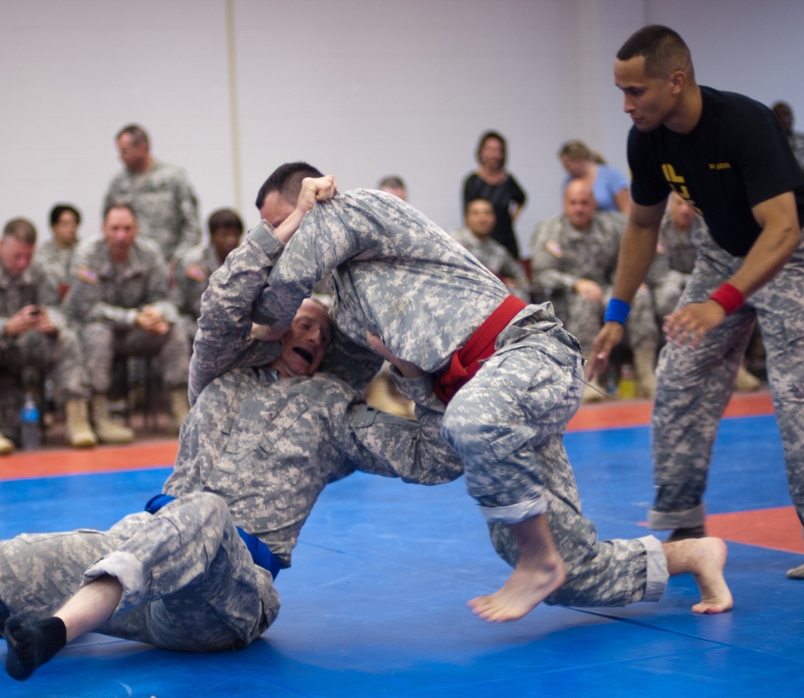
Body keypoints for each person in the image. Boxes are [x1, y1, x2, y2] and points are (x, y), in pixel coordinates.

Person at [0, 220, 463, 681]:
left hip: (221, 598)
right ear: (277, 328)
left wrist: (411, 374)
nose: (313, 334)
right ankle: (70, 609)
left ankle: (56, 629)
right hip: (139, 548)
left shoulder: (333, 409)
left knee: (207, 511)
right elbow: (220, 310)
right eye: (303, 322)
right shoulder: (220, 377)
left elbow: (437, 455)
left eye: (323, 333)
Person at [252, 162, 732, 624]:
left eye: (282, 225)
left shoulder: (364, 211)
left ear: (311, 202)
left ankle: (538, 561)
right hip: (495, 401)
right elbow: (391, 406)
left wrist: (259, 271)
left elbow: (275, 294)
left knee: (474, 423)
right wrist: (406, 373)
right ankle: (691, 555)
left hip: (530, 354)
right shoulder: (349, 313)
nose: (278, 242)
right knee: (560, 568)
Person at [591, 25, 804, 580]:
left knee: (799, 394)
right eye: (620, 92)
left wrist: (721, 303)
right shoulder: (647, 138)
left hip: (793, 252)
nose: (626, 105)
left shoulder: (744, 122)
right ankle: (685, 522)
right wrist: (616, 315)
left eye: (635, 91)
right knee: (679, 378)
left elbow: (783, 230)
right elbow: (643, 224)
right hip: (723, 250)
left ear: (676, 81)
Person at [0, 218, 97, 454]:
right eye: (16, 256)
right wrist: (5, 326)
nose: (22, 263)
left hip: (27, 341)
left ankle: (77, 421)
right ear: (1, 244)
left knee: (67, 338)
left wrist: (51, 322)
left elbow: (57, 308)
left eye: (26, 257)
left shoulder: (38, 267)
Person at [63, 202, 190, 441]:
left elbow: (163, 298)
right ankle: (100, 415)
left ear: (136, 229)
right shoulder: (86, 254)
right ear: (103, 229)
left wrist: (157, 314)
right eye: (115, 228)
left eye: (127, 228)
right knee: (96, 332)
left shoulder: (149, 252)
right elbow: (87, 309)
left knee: (175, 329)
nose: (121, 235)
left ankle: (178, 409)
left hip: (136, 331)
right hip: (98, 330)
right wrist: (134, 318)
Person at [530, 180, 658, 400]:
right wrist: (576, 283)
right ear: (564, 203)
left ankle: (645, 373)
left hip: (604, 289)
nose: (579, 208)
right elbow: (541, 273)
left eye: (584, 203)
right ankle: (589, 377)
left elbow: (625, 264)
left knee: (639, 295)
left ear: (594, 204)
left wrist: (631, 284)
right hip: (565, 297)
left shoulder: (609, 228)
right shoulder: (549, 229)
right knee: (585, 299)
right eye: (573, 203)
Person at [646, 194, 760, 392]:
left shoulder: (706, 226)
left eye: (689, 205)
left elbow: (718, 264)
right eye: (679, 204)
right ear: (670, 205)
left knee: (724, 300)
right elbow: (659, 274)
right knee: (670, 296)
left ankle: (734, 368)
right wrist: (687, 282)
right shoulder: (659, 228)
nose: (684, 210)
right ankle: (680, 366)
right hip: (669, 285)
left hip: (702, 283)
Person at [103, 124, 202, 263]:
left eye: (125, 151)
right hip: (131, 268)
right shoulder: (118, 183)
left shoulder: (173, 178)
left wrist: (178, 262)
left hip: (170, 262)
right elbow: (107, 226)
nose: (120, 157)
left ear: (142, 148)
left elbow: (192, 226)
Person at [172, 207, 244, 344]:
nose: (231, 240)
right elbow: (179, 306)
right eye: (225, 234)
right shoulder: (192, 263)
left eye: (235, 235)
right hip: (194, 326)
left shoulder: (244, 262)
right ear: (212, 236)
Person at [462, 130, 526, 259]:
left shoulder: (508, 180)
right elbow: (466, 214)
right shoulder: (472, 181)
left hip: (505, 238)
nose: (493, 154)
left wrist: (511, 218)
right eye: (489, 149)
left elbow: (522, 198)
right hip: (481, 242)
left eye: (497, 150)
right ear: (481, 152)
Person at [450, 198, 529, 301]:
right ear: (466, 218)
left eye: (487, 213)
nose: (482, 219)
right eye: (476, 213)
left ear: (494, 219)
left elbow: (520, 277)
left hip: (491, 303)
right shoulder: (452, 242)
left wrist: (508, 284)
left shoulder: (497, 249)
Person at [558, 139, 631, 214]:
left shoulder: (611, 176)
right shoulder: (568, 182)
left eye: (567, 165)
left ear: (579, 160)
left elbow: (627, 211)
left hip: (612, 224)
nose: (565, 169)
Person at [33, 203, 83, 298]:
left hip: (80, 304)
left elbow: (95, 276)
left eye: (74, 224)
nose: (71, 229)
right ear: (53, 227)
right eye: (65, 224)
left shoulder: (86, 251)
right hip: (49, 304)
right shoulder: (41, 253)